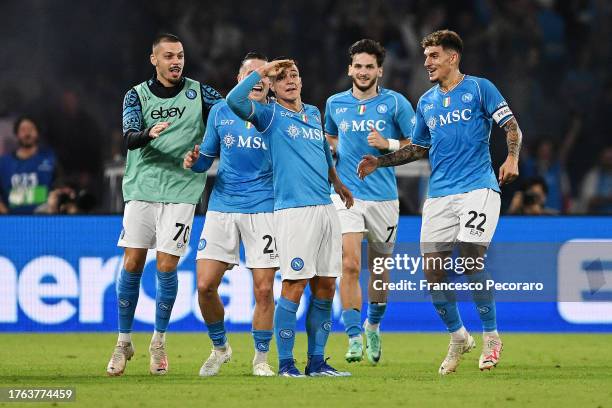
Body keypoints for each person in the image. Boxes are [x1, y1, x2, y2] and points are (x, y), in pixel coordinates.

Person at [358, 30, 523, 374]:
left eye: (434, 56)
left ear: (453, 57)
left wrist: (511, 158)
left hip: (478, 188)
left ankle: (492, 337)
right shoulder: (427, 102)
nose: (427, 62)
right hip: (439, 195)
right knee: (433, 273)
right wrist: (380, 161)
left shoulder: (480, 88)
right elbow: (418, 148)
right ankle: (458, 337)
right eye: (426, 56)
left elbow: (511, 127)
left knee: (471, 259)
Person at [226, 59, 354, 377]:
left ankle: (317, 361)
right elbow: (234, 101)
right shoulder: (269, 115)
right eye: (282, 78)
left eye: (294, 75)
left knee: (325, 286)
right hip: (293, 212)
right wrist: (263, 70)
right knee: (294, 285)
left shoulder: (312, 112)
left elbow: (323, 148)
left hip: (325, 207)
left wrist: (336, 180)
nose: (290, 81)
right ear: (272, 85)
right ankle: (285, 363)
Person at [106, 33, 222, 376]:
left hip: (182, 190)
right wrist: (147, 134)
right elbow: (129, 137)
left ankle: (158, 341)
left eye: (180, 55)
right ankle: (123, 342)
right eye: (169, 56)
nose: (176, 62)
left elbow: (229, 114)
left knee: (167, 267)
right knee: (132, 262)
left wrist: (208, 147)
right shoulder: (136, 95)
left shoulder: (199, 92)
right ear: (153, 60)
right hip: (142, 189)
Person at [182, 52, 278, 377]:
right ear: (239, 80)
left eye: (263, 75)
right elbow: (205, 160)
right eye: (251, 74)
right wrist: (193, 160)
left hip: (264, 208)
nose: (257, 80)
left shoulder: (277, 114)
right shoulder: (221, 111)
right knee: (205, 286)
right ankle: (220, 348)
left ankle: (261, 359)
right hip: (222, 207)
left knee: (264, 290)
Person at [324, 39, 415, 365]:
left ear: (379, 70)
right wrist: (332, 148)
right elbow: (331, 136)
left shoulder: (395, 104)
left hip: (384, 199)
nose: (363, 72)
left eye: (369, 67)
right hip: (348, 196)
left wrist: (387, 143)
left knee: (379, 269)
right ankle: (352, 336)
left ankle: (372, 326)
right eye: (358, 66)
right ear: (350, 69)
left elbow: (418, 143)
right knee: (348, 263)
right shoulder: (335, 103)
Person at [0, 117, 58, 214]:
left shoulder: (50, 158)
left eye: (31, 129)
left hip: (45, 222)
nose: (27, 134)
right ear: (17, 134)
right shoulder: (3, 163)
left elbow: (59, 187)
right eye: (23, 130)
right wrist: (7, 216)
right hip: (11, 224)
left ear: (37, 133)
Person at [577, 146, 612, 214]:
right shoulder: (592, 175)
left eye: (610, 159)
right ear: (601, 158)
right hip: (596, 219)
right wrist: (608, 199)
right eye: (606, 158)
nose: (609, 162)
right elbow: (588, 200)